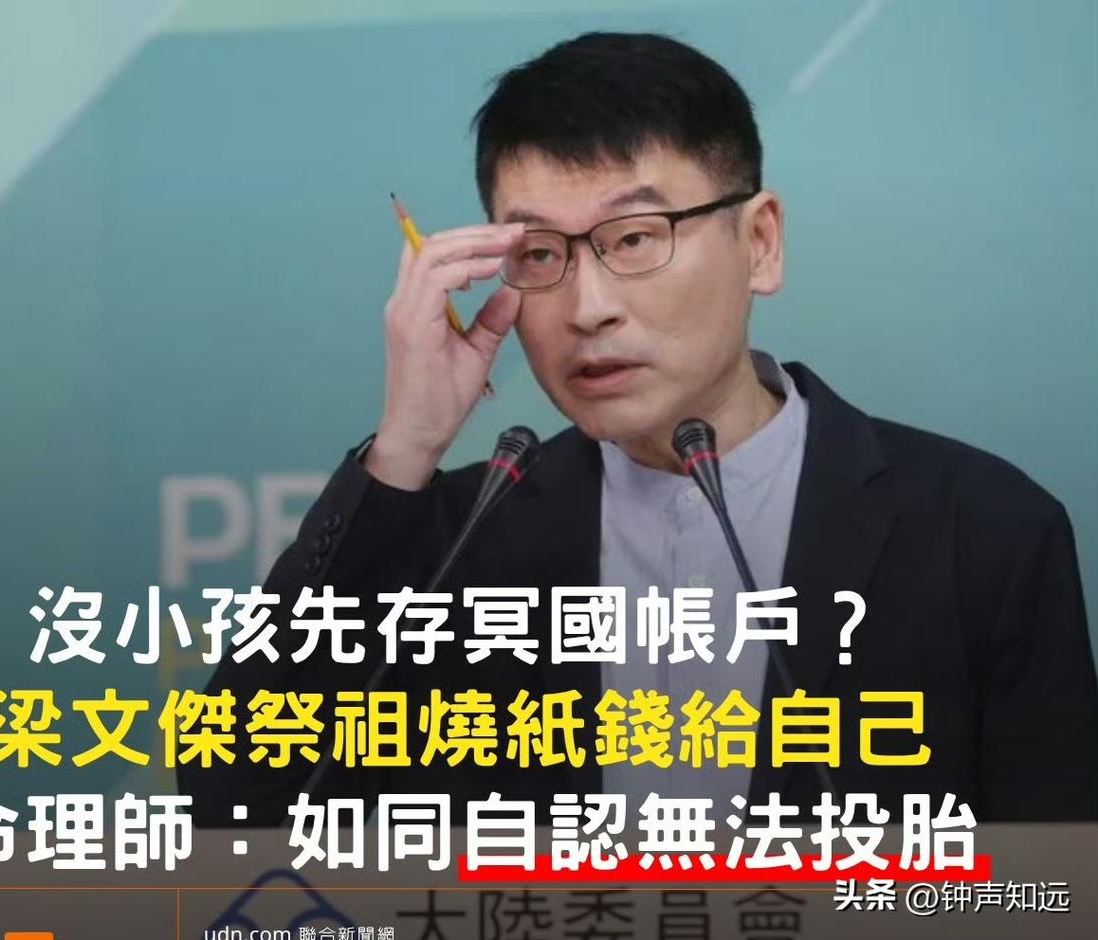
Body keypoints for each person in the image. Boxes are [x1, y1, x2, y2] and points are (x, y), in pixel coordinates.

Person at [181, 31, 1097, 827]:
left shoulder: (983, 530)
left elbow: (1053, 889)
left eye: (634, 238)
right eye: (539, 254)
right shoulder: (454, 545)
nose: (589, 308)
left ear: (760, 243)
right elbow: (231, 804)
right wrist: (406, 446)